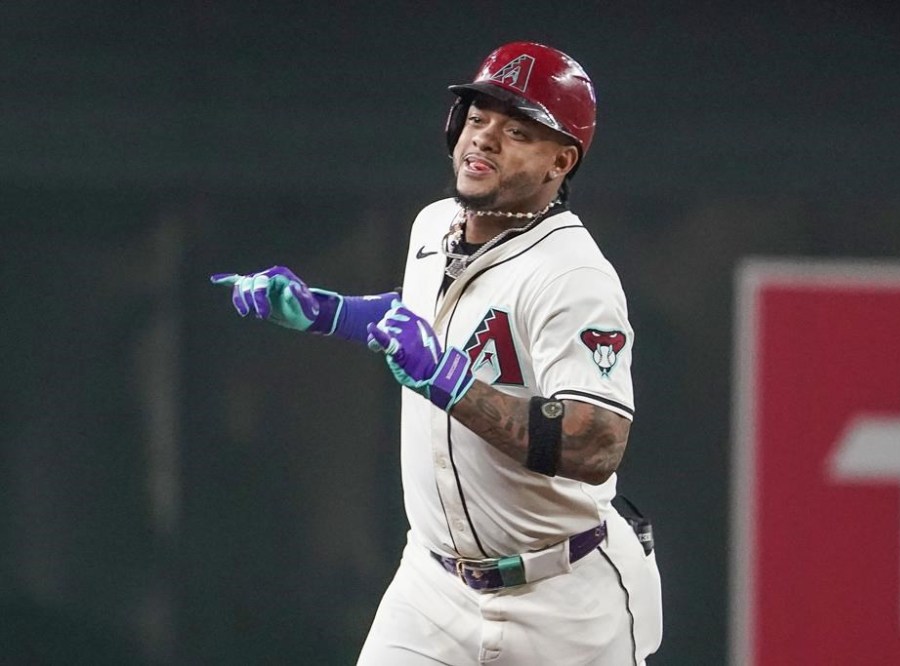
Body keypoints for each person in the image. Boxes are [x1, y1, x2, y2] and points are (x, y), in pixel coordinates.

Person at [212, 41, 662, 665]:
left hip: (564, 597)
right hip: (433, 588)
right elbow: (417, 323)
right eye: (477, 119)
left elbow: (597, 444)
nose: (485, 139)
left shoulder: (573, 276)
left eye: (517, 131)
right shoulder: (433, 226)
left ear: (561, 161)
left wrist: (448, 381)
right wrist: (327, 312)